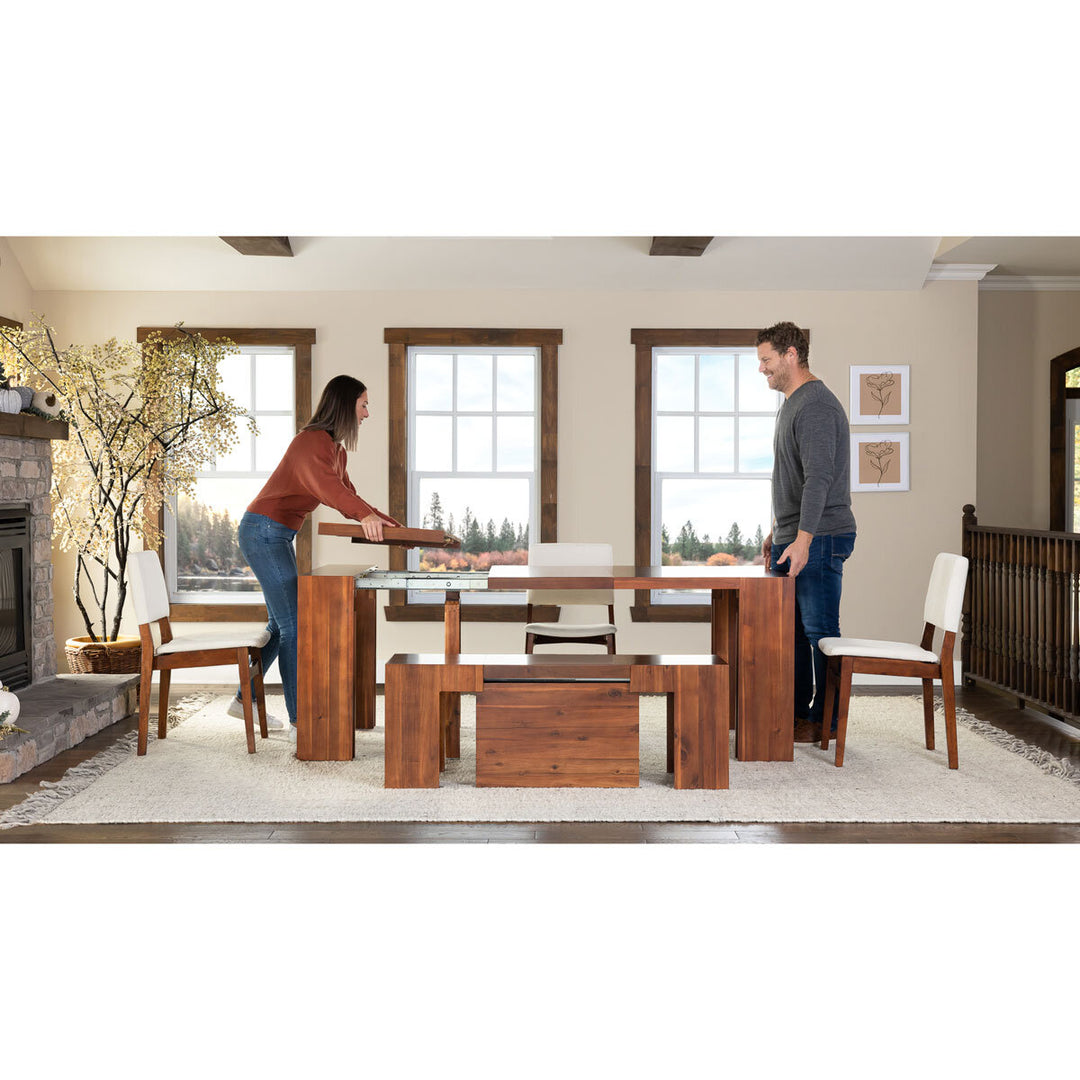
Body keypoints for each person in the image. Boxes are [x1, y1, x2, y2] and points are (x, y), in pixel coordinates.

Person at [229, 375, 400, 740]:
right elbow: (329, 491)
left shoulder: (335, 450)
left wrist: (392, 526)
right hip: (262, 532)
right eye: (363, 405)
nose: (367, 414)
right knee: (295, 626)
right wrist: (365, 517)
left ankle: (245, 700)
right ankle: (300, 721)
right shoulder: (311, 442)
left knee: (280, 624)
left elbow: (348, 493)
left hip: (277, 535)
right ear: (345, 405)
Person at [757, 322, 856, 743]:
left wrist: (802, 538)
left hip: (819, 537)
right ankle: (797, 714)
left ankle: (827, 721)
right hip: (794, 534)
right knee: (793, 633)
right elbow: (792, 478)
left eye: (766, 360)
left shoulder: (816, 406)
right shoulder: (792, 403)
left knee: (819, 632)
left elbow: (818, 480)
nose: (762, 369)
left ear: (791, 355)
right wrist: (777, 529)